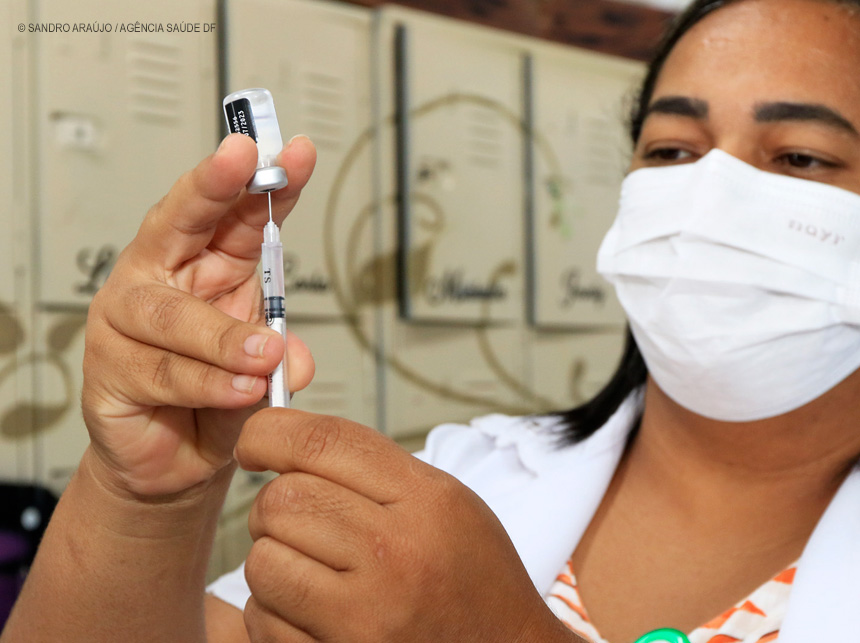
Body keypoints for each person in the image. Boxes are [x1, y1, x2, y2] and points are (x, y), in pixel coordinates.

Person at [3, 0, 860, 641]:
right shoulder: (464, 482)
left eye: (800, 158)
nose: (707, 197)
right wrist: (144, 496)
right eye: (671, 150)